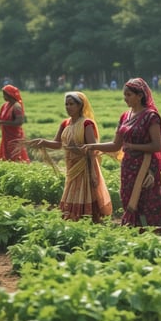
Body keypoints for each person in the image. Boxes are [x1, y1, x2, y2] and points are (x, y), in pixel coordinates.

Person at [84, 77, 161, 233]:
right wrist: (92, 146)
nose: (125, 98)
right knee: (128, 198)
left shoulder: (151, 116)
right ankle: (135, 233)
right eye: (124, 95)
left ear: (140, 95)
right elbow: (116, 145)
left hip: (145, 167)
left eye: (129, 95)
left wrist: (133, 146)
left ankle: (154, 234)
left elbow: (156, 145)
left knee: (147, 201)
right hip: (128, 168)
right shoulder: (125, 116)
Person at [29, 92, 112, 223]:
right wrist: (43, 142)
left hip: (85, 166)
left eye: (71, 104)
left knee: (85, 193)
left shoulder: (86, 124)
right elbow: (58, 144)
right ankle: (75, 219)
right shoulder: (65, 124)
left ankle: (86, 220)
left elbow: (92, 148)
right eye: (66, 104)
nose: (68, 107)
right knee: (72, 191)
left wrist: (93, 174)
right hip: (71, 166)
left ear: (80, 106)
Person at [0, 84, 30, 162]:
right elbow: (0, 116)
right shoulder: (5, 105)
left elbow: (19, 122)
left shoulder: (17, 107)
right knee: (6, 156)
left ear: (10, 95)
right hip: (6, 137)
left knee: (15, 155)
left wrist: (3, 122)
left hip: (14, 137)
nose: (3, 96)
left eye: (5, 94)